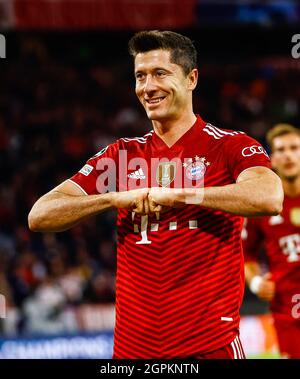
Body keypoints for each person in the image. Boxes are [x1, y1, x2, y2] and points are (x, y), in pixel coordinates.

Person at [28, 30, 283, 359]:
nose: (148, 87)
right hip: (132, 352)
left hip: (208, 346)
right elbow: (40, 215)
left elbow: (269, 197)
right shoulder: (121, 156)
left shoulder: (228, 146)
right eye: (140, 76)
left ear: (191, 78)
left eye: (160, 73)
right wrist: (111, 199)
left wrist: (181, 196)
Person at [243, 124, 300, 359]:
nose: (288, 155)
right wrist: (256, 282)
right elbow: (244, 254)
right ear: (272, 160)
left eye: (294, 148)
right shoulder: (264, 206)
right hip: (288, 311)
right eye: (281, 150)